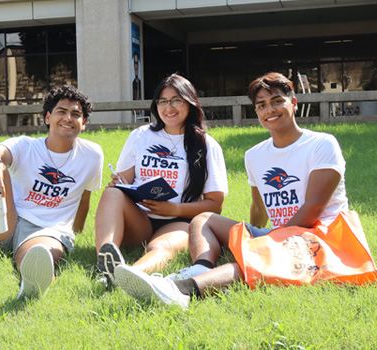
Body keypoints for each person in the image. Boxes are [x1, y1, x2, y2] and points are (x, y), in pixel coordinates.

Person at [114, 72, 350, 308]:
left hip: (318, 238)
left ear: (294, 103)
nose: (270, 110)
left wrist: (264, 244)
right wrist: (252, 235)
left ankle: (179, 291)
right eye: (262, 105)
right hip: (280, 235)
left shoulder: (321, 144)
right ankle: (201, 267)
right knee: (204, 219)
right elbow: (259, 207)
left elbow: (313, 209)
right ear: (256, 112)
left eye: (277, 101)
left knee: (252, 260)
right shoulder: (256, 155)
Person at [0, 84, 104, 300]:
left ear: (84, 124)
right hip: (7, 222)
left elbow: (85, 195)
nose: (68, 118)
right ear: (47, 118)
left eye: (76, 114)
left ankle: (32, 285)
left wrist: (77, 231)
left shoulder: (92, 154)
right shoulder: (26, 146)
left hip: (47, 230)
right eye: (61, 112)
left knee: (38, 256)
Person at [95, 74, 228, 286]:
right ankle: (104, 259)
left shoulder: (207, 145)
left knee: (160, 247)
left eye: (176, 100)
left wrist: (173, 210)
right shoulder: (141, 135)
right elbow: (126, 180)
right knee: (112, 193)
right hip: (140, 217)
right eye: (163, 101)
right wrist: (119, 182)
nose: (169, 107)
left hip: (179, 220)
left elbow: (215, 205)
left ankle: (123, 277)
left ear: (190, 102)